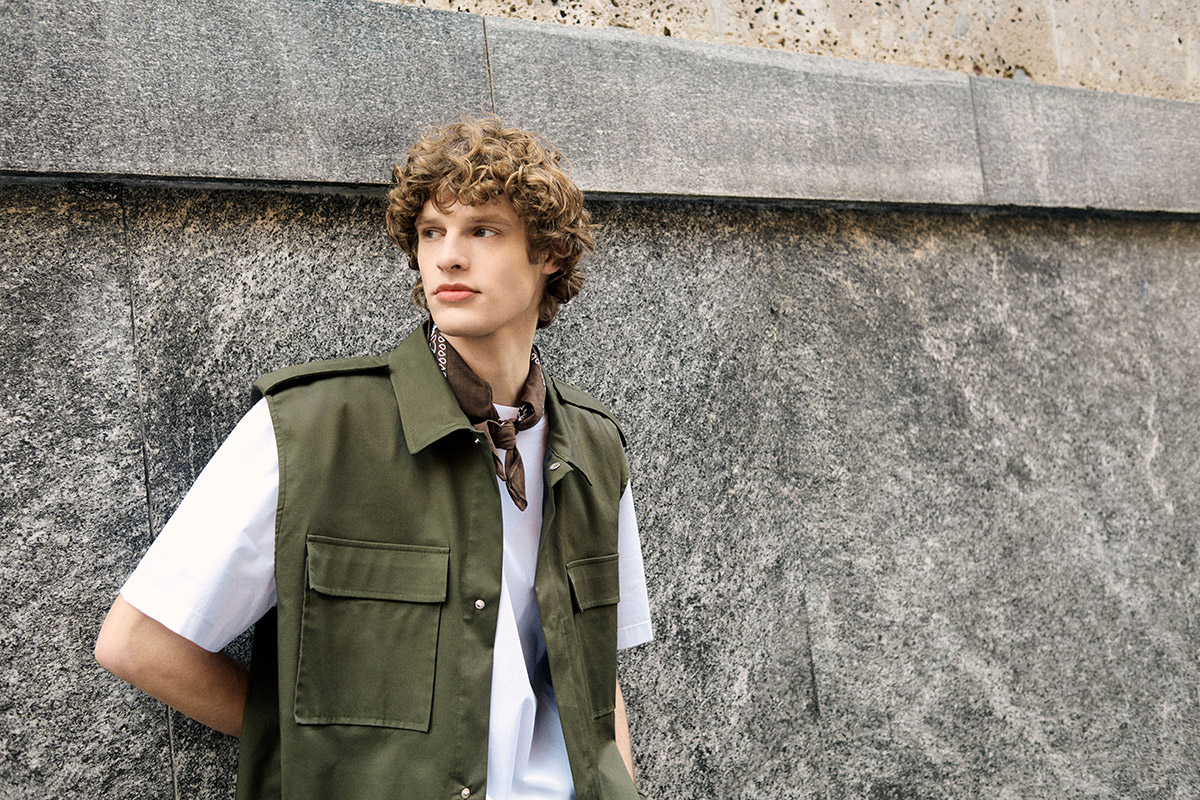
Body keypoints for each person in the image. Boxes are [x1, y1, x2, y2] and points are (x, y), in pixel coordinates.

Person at [95, 118, 653, 800]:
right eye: (431, 232)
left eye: (483, 230)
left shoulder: (595, 446)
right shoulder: (310, 427)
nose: (448, 257)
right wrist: (323, 752)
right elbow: (138, 643)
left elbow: (595, 678)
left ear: (552, 254)